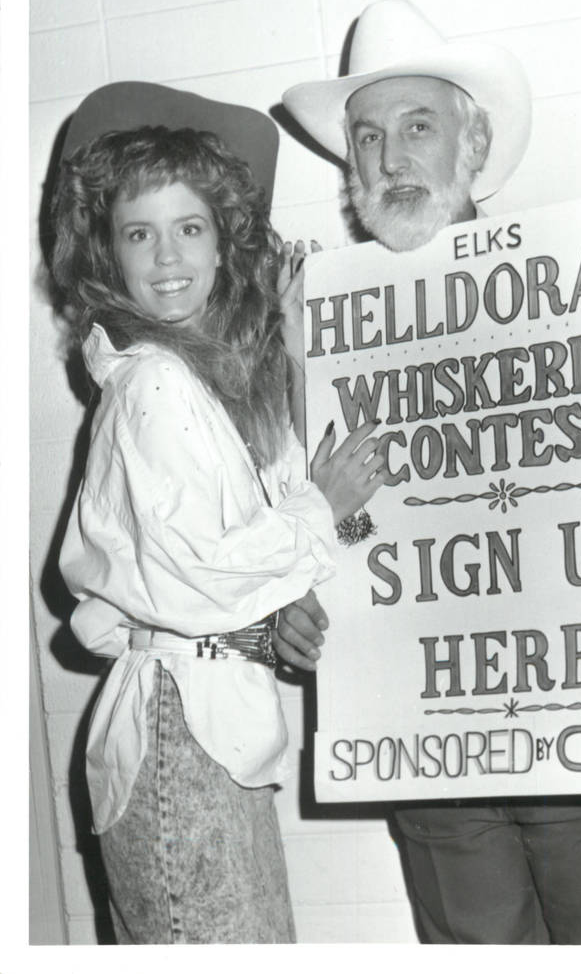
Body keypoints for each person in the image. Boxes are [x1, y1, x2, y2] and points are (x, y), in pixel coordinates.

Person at [276, 0, 581, 944]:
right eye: (367, 137)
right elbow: (300, 519)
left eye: (417, 127)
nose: (391, 159)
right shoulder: (314, 327)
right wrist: (291, 601)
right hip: (432, 757)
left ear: (472, 144)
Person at [52, 82, 385, 945]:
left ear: (222, 241)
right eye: (139, 233)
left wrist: (297, 340)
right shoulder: (155, 383)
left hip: (199, 727)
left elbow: (244, 520)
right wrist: (323, 508)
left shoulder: (189, 379)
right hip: (182, 737)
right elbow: (204, 567)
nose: (166, 256)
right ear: (107, 254)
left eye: (189, 228)